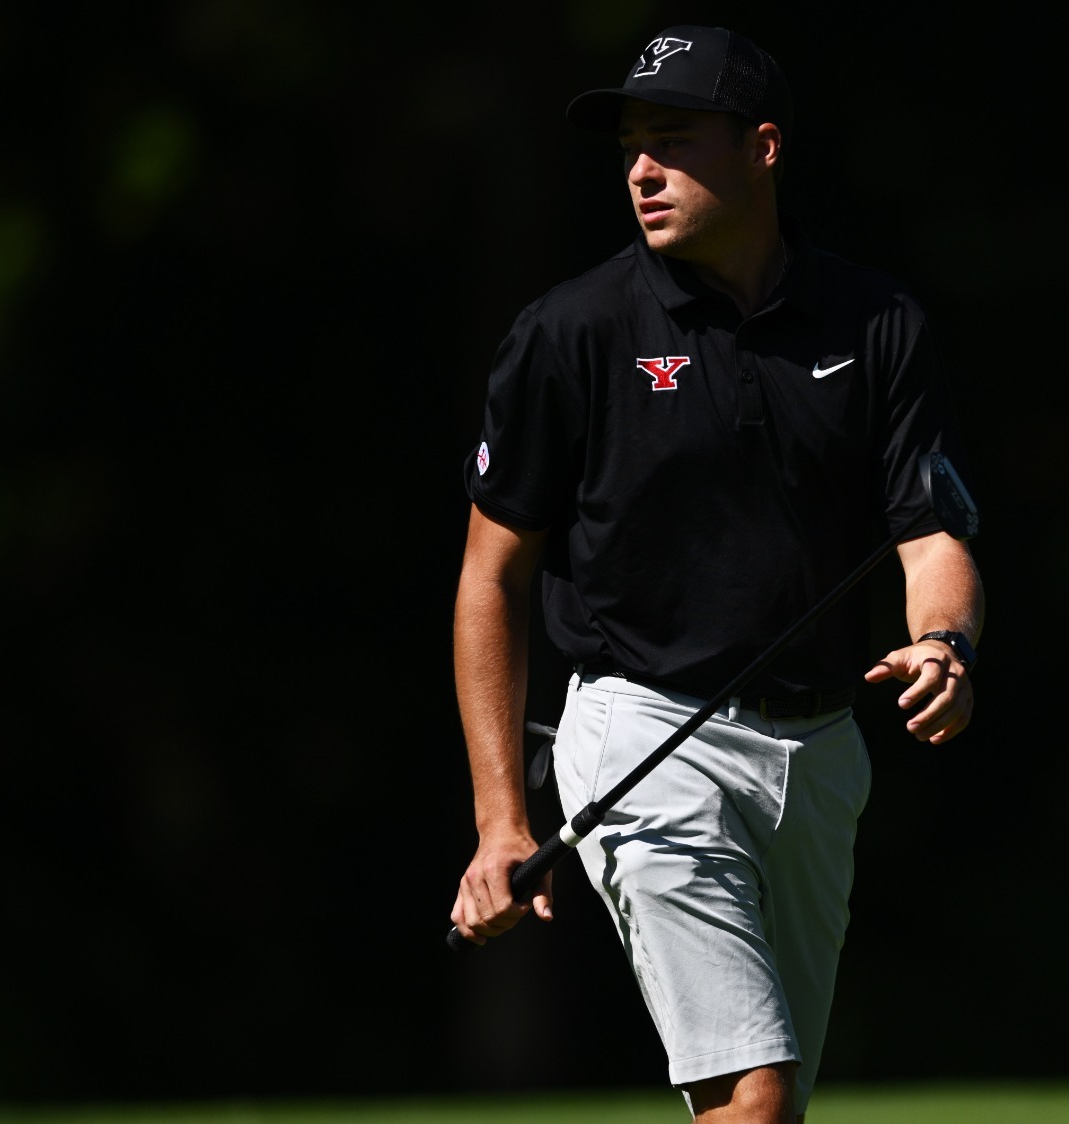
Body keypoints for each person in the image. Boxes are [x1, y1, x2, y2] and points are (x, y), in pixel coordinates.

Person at [446, 26, 983, 1124]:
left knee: (759, 1107)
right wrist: (502, 820)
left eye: (674, 141)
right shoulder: (572, 332)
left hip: (821, 755)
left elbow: (929, 530)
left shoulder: (875, 324)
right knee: (755, 1093)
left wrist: (945, 643)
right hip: (640, 739)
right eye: (632, 146)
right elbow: (489, 580)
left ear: (764, 149)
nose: (641, 169)